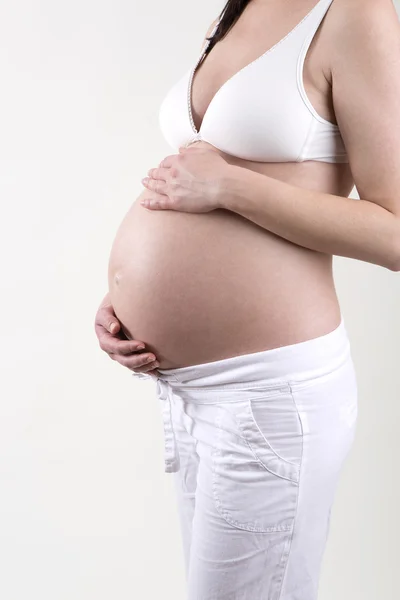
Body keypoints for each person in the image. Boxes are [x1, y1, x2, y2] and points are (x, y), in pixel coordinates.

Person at [95, 0, 400, 598]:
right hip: (189, 393)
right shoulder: (239, 7)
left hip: (269, 397)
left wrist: (231, 187)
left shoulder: (358, 13)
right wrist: (125, 296)